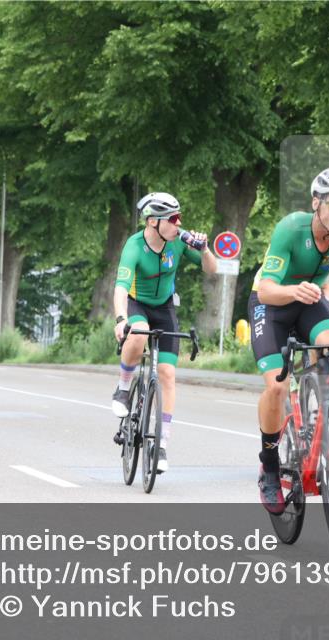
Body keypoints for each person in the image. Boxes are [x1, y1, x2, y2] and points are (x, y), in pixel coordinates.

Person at [247, 168, 329, 513]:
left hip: (310, 300)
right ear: (316, 202)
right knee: (277, 387)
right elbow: (266, 289)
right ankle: (269, 465)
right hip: (272, 303)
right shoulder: (291, 227)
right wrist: (294, 290)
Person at [111, 192, 217, 472]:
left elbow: (211, 269)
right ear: (152, 222)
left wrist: (205, 249)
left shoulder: (179, 241)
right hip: (137, 304)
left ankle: (160, 445)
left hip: (165, 307)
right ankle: (123, 388)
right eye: (172, 218)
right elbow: (121, 288)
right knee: (139, 333)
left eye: (178, 217)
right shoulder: (134, 246)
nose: (178, 223)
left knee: (168, 374)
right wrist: (121, 319)